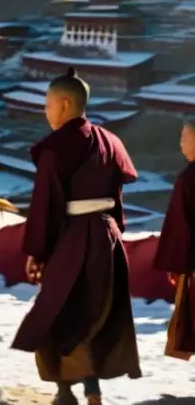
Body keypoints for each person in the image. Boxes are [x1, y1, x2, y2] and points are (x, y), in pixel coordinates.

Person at [11, 67, 141, 405]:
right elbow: (117, 197)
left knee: (59, 312)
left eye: (47, 104)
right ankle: (93, 392)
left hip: (72, 239)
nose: (46, 111)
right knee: (94, 313)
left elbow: (46, 205)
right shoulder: (110, 141)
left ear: (65, 104)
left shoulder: (56, 147)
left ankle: (66, 392)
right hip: (107, 239)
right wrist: (113, 236)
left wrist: (37, 251)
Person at [153, 121, 195, 360]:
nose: (181, 144)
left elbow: (181, 226)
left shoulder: (189, 179)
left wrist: (176, 265)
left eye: (185, 137)